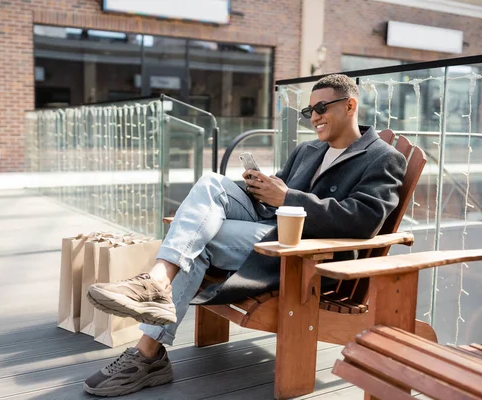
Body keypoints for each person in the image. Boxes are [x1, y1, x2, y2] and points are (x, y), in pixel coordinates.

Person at [83, 74, 407, 397]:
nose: (315, 117)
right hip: (272, 226)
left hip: (306, 256)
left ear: (350, 105)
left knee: (200, 239)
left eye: (321, 107)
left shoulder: (383, 158)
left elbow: (364, 220)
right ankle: (157, 281)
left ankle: (148, 349)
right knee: (212, 183)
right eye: (309, 112)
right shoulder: (308, 150)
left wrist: (288, 198)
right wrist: (259, 188)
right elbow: (275, 197)